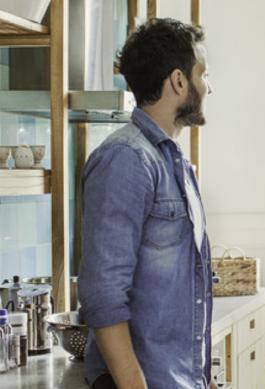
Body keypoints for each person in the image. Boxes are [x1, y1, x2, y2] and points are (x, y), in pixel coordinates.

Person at [78, 18, 215, 389]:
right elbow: (102, 293)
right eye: (203, 74)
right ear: (178, 81)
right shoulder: (126, 159)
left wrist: (202, 378)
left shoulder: (176, 165)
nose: (209, 87)